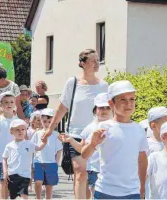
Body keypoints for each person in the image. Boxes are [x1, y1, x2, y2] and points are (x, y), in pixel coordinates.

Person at [43, 49, 108, 199]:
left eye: (97, 60)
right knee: (80, 172)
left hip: (98, 135)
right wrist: (49, 130)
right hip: (76, 135)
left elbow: (111, 109)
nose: (96, 64)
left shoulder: (104, 86)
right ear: (82, 64)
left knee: (94, 175)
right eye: (92, 61)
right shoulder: (73, 83)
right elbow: (61, 109)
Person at [82, 80, 148, 199]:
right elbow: (84, 155)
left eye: (132, 99)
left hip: (132, 192)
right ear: (111, 104)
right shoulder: (103, 127)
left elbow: (142, 160)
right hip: (105, 191)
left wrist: (142, 186)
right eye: (122, 99)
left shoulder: (139, 130)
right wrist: (92, 144)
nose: (128, 103)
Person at [59, 92, 112, 199]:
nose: (104, 110)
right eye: (101, 108)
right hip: (94, 171)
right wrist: (71, 140)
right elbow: (82, 149)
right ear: (95, 110)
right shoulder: (89, 128)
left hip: (112, 170)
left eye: (107, 107)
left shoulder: (116, 126)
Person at [3, 119, 47, 200]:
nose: (20, 132)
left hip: (25, 175)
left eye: (23, 129)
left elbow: (39, 148)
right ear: (11, 131)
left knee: (24, 195)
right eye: (17, 129)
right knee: (13, 196)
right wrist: (5, 171)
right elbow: (4, 159)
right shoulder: (9, 146)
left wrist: (44, 142)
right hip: (12, 174)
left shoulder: (29, 143)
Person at [0, 91, 19, 199]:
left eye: (11, 102)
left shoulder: (17, 120)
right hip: (2, 156)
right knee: (2, 179)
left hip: (15, 156)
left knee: (12, 181)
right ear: (1, 105)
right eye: (6, 102)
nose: (9, 104)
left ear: (15, 103)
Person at [31, 108, 62, 199]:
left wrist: (56, 163)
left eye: (50, 122)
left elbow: (59, 150)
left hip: (51, 163)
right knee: (38, 182)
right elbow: (33, 148)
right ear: (41, 120)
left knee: (49, 185)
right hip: (38, 162)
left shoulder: (56, 134)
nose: (47, 124)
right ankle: (38, 198)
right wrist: (32, 163)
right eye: (45, 121)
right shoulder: (37, 133)